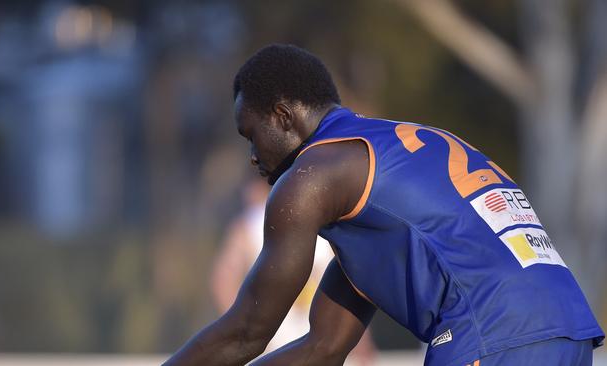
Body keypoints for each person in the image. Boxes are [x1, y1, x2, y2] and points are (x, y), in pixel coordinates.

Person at [163, 44, 604, 365]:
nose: (253, 156)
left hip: (492, 334)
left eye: (251, 135)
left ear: (283, 116)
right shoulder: (385, 165)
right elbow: (324, 346)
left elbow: (247, 332)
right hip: (568, 329)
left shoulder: (312, 175)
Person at [210, 178, 376, 364]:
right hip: (319, 344)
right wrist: (360, 339)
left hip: (277, 344)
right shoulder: (327, 221)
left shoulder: (250, 224)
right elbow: (351, 282)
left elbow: (223, 279)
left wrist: (245, 333)